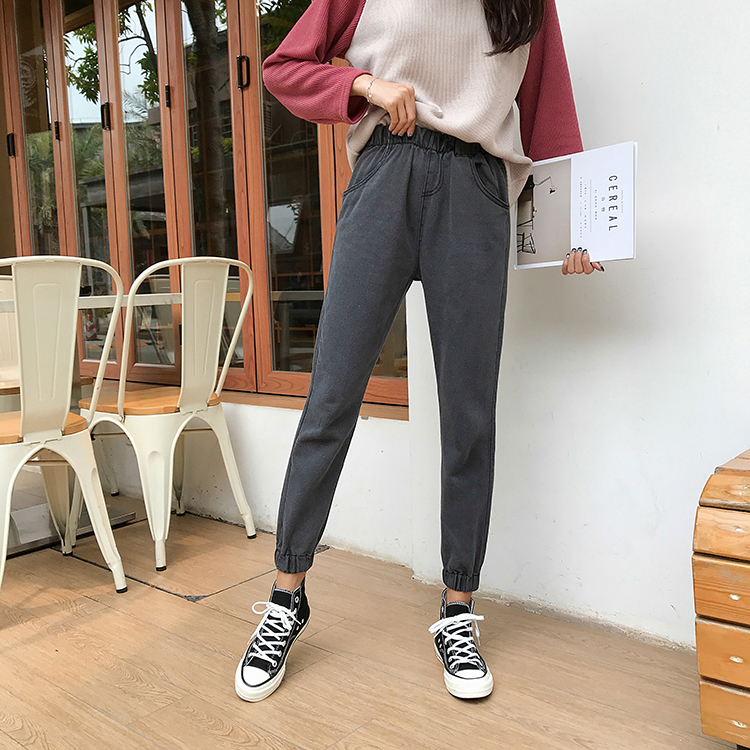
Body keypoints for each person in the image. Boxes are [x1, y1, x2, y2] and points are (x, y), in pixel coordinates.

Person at [235, 0, 602, 704]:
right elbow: (285, 68)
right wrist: (364, 85)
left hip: (476, 190)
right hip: (386, 174)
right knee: (331, 398)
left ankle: (457, 610)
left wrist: (575, 225)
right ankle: (286, 597)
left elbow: (548, 113)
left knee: (468, 415)